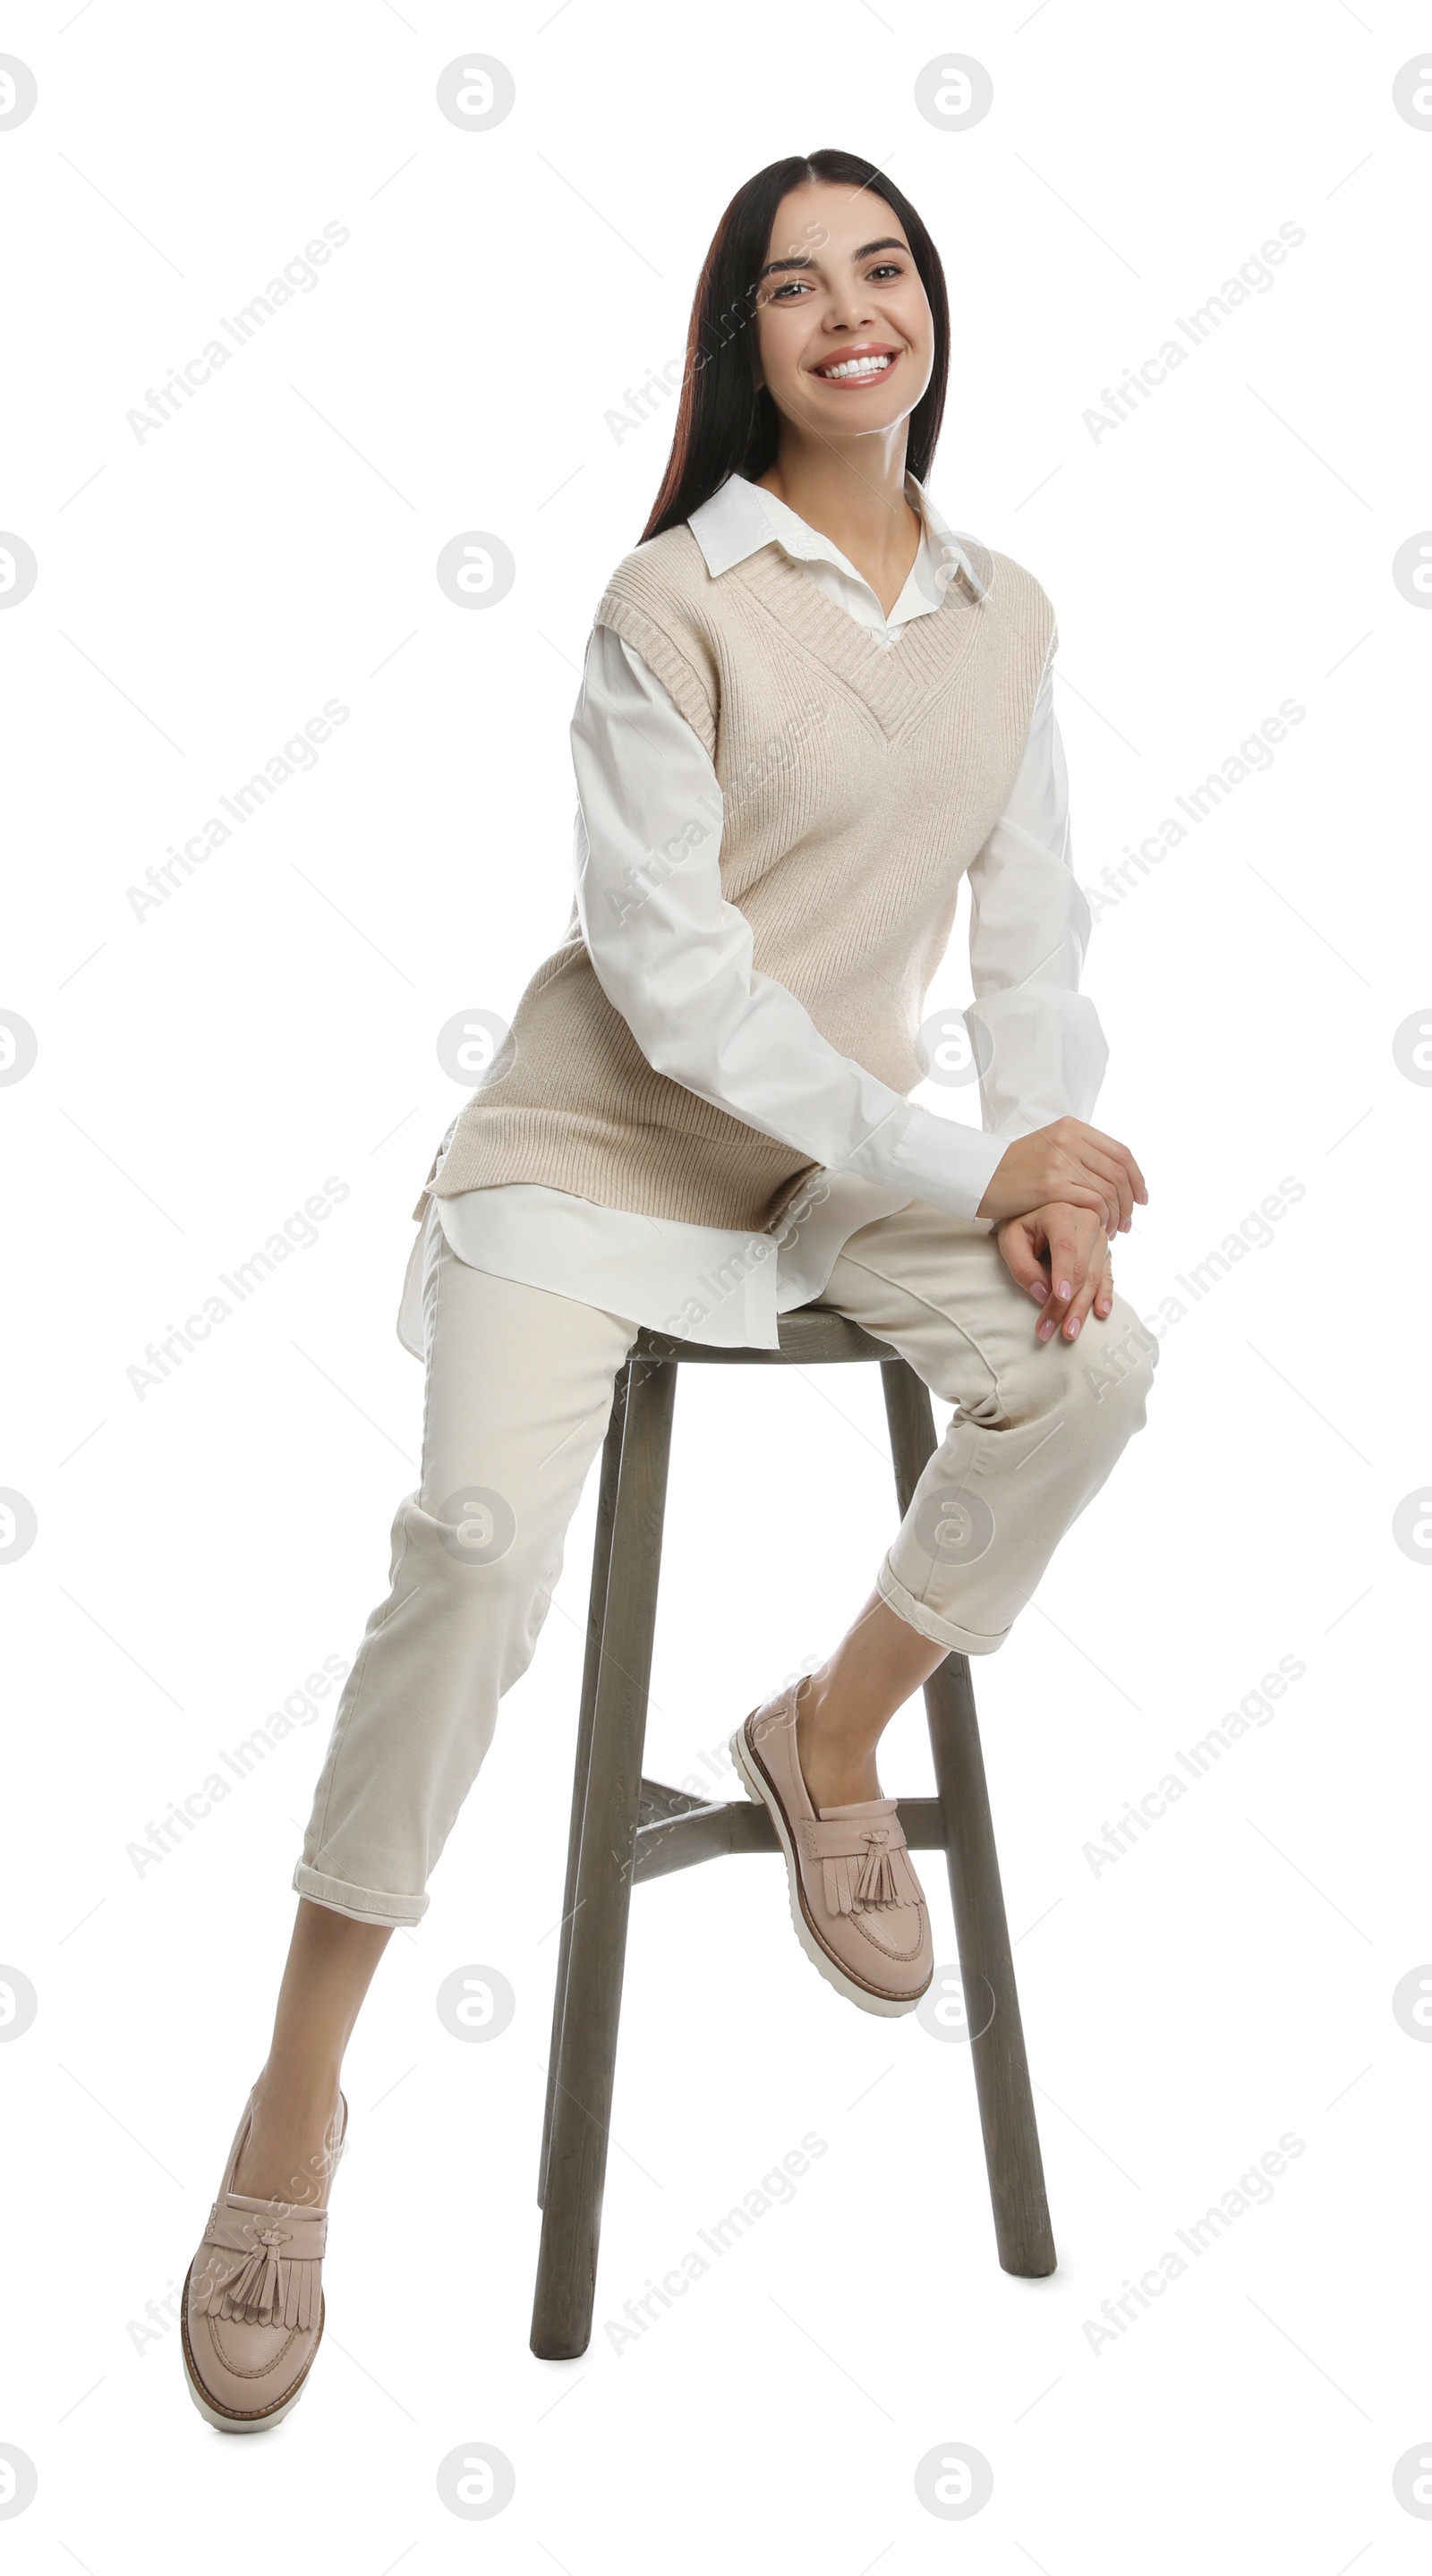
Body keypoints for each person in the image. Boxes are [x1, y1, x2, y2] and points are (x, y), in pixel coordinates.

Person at [181, 147, 1155, 2431]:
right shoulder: (664, 603)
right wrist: (962, 1149)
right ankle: (293, 2101)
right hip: (599, 1158)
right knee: (478, 1552)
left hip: (836, 1178)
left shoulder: (1008, 613)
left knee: (1091, 1373)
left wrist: (1054, 1175)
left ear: (929, 312)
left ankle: (825, 1735)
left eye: (883, 269)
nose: (851, 311)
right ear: (745, 344)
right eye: (795, 285)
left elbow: (1032, 946)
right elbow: (679, 990)